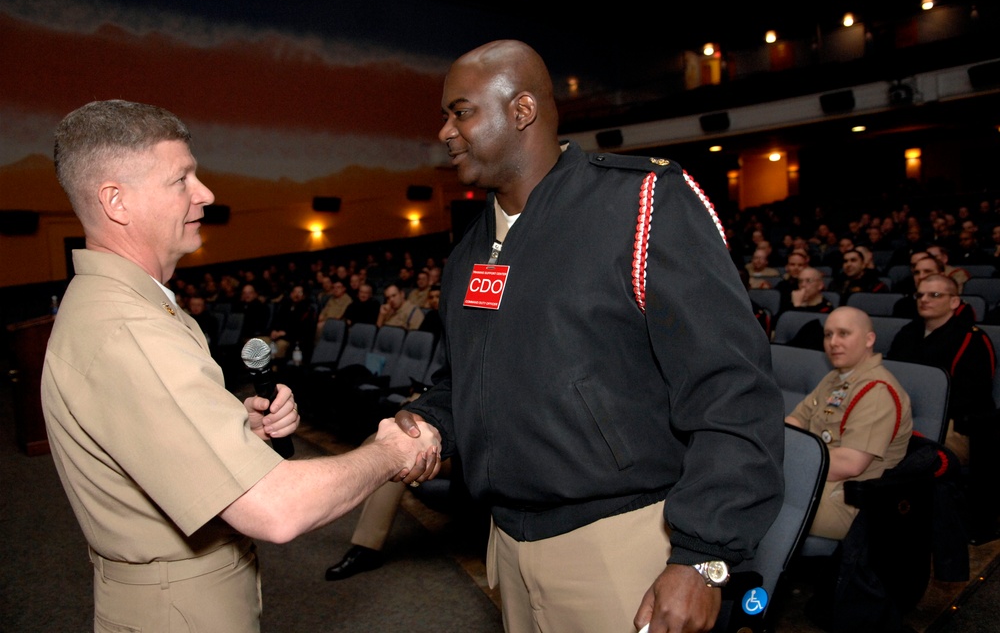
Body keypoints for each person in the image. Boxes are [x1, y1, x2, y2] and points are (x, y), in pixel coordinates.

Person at [394, 40, 784, 633]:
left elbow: (731, 388)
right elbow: (467, 380)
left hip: (626, 547)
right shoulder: (470, 251)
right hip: (507, 545)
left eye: (461, 111)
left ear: (521, 110)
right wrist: (430, 421)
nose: (445, 131)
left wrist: (704, 555)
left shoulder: (643, 203)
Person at [41, 99, 441, 633]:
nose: (204, 193)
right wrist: (389, 452)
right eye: (181, 179)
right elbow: (275, 510)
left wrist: (231, 427)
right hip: (181, 611)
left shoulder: (119, 305)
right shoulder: (131, 328)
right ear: (117, 201)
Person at [785, 307, 913, 539]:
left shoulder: (876, 391)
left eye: (843, 334)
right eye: (828, 334)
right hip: (816, 479)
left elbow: (849, 465)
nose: (833, 342)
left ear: (869, 339)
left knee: (754, 502)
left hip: (850, 502)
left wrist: (783, 460)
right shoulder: (835, 378)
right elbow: (795, 420)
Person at [887, 274, 996, 465]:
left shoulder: (971, 339)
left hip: (952, 423)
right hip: (901, 414)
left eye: (934, 295)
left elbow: (974, 396)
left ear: (954, 301)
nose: (924, 300)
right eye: (920, 295)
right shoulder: (907, 332)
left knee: (909, 461)